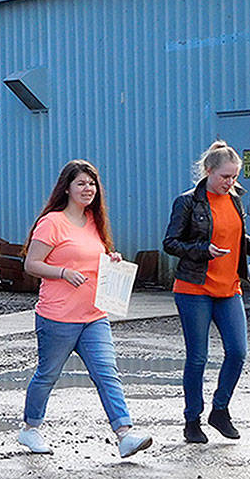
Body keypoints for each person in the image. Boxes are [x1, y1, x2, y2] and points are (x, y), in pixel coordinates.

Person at [19, 159, 152, 458]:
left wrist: (112, 260)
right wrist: (63, 272)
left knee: (107, 373)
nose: (87, 189)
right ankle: (30, 429)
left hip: (93, 315)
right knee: (48, 374)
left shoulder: (95, 221)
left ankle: (124, 434)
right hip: (58, 316)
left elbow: (95, 259)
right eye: (81, 183)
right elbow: (31, 264)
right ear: (66, 188)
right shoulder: (52, 222)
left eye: (91, 184)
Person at [163, 141, 250, 443]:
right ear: (209, 171)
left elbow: (238, 238)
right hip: (194, 288)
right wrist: (203, 250)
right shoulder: (187, 202)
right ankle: (192, 420)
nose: (230, 183)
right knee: (198, 358)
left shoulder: (235, 200)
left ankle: (220, 410)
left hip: (230, 289)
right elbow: (170, 243)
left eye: (234, 177)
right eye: (224, 177)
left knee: (238, 352)